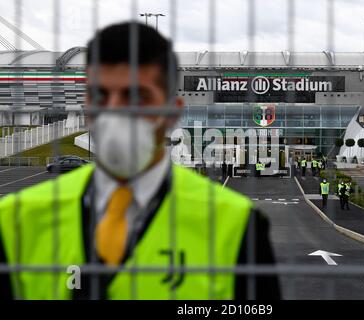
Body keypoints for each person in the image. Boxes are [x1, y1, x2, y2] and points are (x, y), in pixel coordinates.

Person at [0, 22, 280, 300]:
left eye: (136, 96)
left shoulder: (237, 226)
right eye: (101, 96)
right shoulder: (15, 221)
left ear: (172, 112)